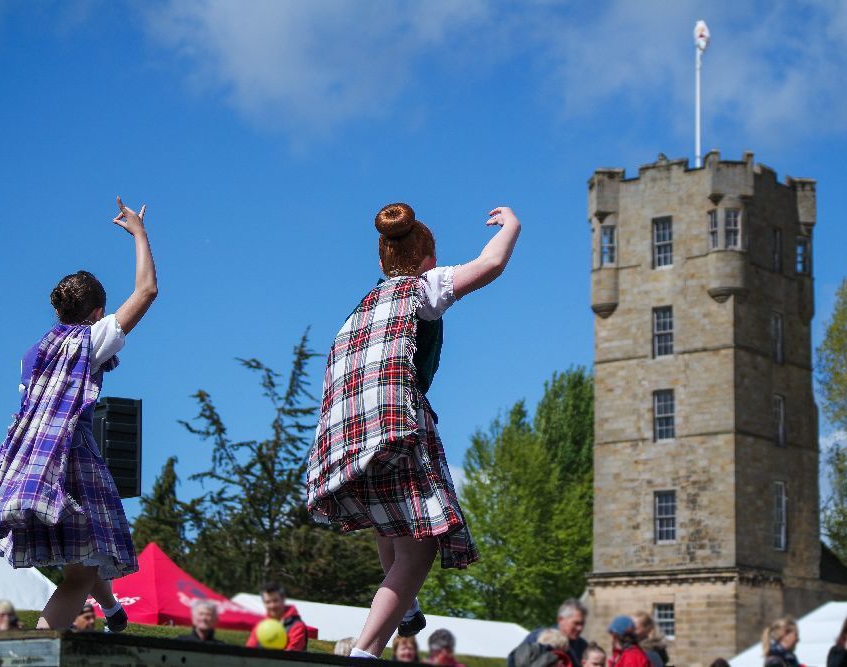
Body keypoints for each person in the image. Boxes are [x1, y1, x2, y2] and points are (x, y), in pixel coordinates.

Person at [307, 203, 522, 660]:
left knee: (388, 519)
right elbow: (491, 264)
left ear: (382, 260)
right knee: (419, 551)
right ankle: (365, 652)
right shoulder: (425, 289)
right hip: (394, 418)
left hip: (349, 429)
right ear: (428, 257)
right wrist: (512, 227)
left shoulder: (362, 307)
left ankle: (405, 611)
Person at [0, 197, 158, 632]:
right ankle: (36, 651)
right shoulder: (90, 341)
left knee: (86, 551)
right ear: (97, 312)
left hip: (24, 464)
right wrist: (139, 233)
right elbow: (146, 292)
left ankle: (114, 612)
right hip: (68, 461)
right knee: (82, 570)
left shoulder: (33, 353)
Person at [520, 600, 589, 667]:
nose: (580, 628)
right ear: (560, 619)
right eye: (576, 623)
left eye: (582, 624)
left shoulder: (583, 647)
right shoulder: (537, 637)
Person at [244, 582, 308, 651]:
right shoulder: (260, 626)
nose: (272, 606)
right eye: (268, 602)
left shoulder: (297, 626)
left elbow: (290, 657)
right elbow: (248, 651)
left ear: (283, 599)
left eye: (275, 600)